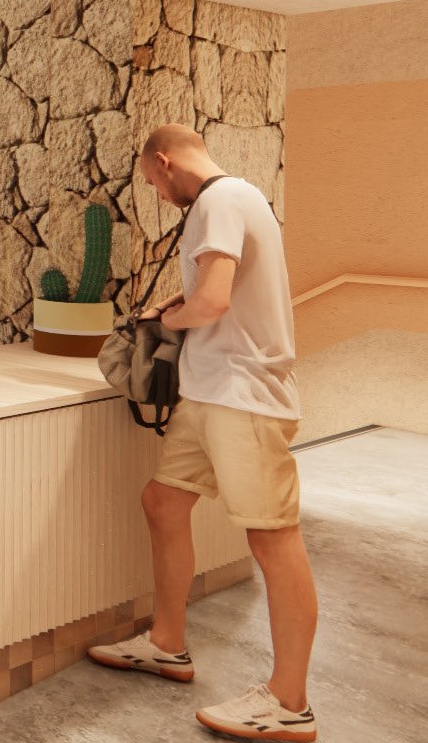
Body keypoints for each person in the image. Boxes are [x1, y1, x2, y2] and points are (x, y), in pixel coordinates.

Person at [87, 125, 317, 742]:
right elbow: (221, 290)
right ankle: (167, 644)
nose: (159, 195)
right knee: (163, 502)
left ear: (164, 162)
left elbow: (212, 302)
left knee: (272, 540)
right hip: (212, 392)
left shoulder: (216, 200)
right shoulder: (238, 198)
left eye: (154, 183)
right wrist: (177, 302)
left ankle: (289, 703)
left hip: (243, 398)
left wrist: (175, 318)